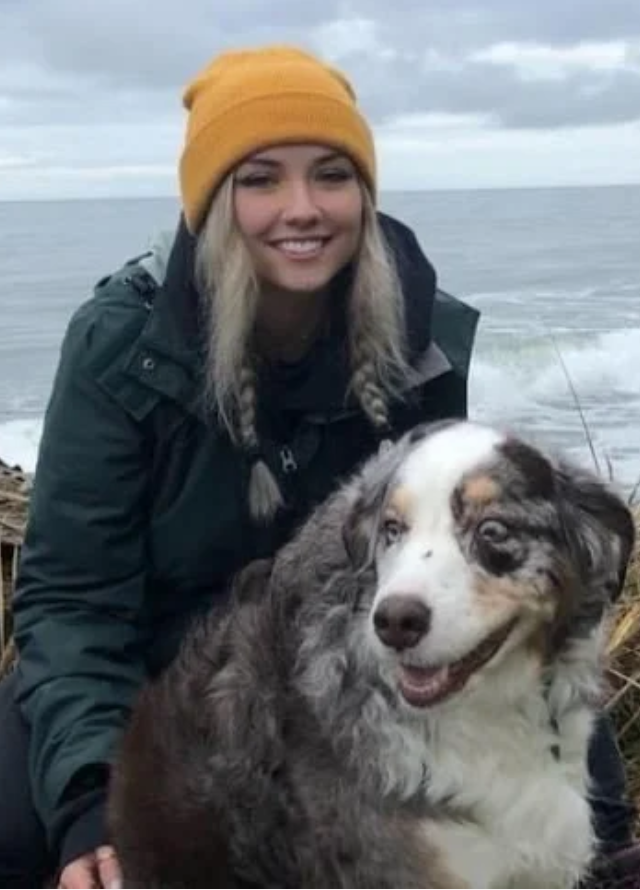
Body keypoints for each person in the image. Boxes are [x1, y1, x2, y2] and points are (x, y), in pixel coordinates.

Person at [0, 44, 634, 889]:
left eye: (332, 175)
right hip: (153, 671)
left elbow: (436, 552)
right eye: (260, 178)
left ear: (363, 195)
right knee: (23, 823)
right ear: (213, 202)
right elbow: (74, 600)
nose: (302, 209)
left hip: (341, 655)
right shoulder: (123, 344)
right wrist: (89, 802)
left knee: (587, 810)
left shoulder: (422, 333)